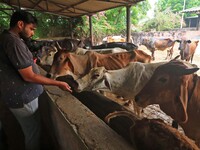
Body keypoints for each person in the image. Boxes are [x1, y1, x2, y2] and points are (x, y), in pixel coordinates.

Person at [0, 10, 72, 150]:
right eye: (31, 29)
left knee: (30, 129)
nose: (33, 33)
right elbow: (28, 76)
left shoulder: (6, 38)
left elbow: (16, 65)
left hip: (15, 95)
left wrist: (30, 62)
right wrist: (59, 83)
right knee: (33, 132)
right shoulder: (13, 42)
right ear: (20, 24)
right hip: (23, 98)